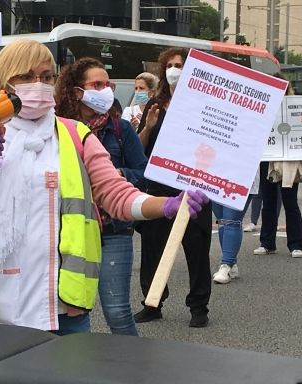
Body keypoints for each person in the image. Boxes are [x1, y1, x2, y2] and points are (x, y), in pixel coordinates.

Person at [0, 39, 209, 335]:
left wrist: (166, 205)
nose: (37, 85)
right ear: (3, 83)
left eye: (46, 76)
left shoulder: (76, 135)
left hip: (62, 309)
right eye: (25, 77)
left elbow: (116, 195)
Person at [54, 57, 149, 336]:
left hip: (112, 231)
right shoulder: (57, 129)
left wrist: (119, 175)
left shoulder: (121, 129)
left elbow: (143, 172)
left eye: (108, 84)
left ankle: (130, 372)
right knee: (66, 311)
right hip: (70, 233)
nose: (106, 89)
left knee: (117, 311)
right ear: (76, 91)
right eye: (97, 84)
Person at [135, 48, 213, 327]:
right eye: (169, 65)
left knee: (196, 248)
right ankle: (152, 301)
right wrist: (149, 126)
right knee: (152, 248)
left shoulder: (203, 105)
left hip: (194, 188)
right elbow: (139, 150)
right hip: (158, 187)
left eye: (180, 65)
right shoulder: (154, 105)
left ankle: (199, 307)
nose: (174, 69)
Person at [253, 75, 302, 258]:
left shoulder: (294, 107)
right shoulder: (262, 106)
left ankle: (296, 244)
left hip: (288, 159)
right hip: (268, 158)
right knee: (269, 202)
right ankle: (267, 242)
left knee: (290, 201)